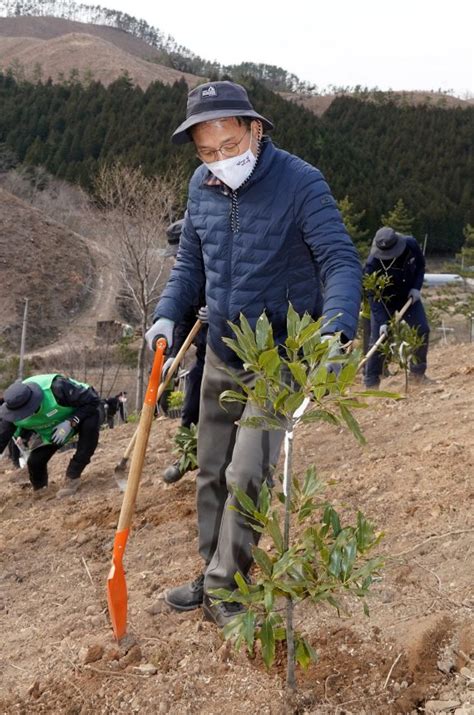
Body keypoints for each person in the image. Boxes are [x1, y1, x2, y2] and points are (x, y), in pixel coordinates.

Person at [145, 81, 362, 628]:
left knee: (247, 473)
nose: (221, 160)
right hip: (222, 347)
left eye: (229, 146)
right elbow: (191, 264)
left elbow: (339, 261)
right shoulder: (202, 186)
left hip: (280, 354)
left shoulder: (301, 183)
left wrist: (336, 331)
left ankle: (228, 590)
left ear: (254, 129)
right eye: (207, 152)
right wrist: (167, 313)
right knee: (211, 469)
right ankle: (212, 568)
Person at [161, 219, 208, 484]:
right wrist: (173, 356)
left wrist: (220, 310)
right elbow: (182, 321)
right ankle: (188, 455)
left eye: (181, 251)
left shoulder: (223, 262)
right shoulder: (184, 278)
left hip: (241, 351)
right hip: (206, 351)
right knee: (192, 401)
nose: (177, 258)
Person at [0, 374, 101, 497]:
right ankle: (41, 490)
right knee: (35, 461)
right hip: (51, 429)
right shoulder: (11, 414)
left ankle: (73, 476)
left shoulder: (56, 388)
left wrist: (71, 421)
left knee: (89, 429)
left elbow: (93, 400)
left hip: (81, 415)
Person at [364, 226, 430, 388]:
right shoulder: (371, 264)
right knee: (379, 341)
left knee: (422, 329)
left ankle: (417, 375)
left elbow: (420, 266)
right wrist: (382, 322)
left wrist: (416, 287)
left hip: (408, 297)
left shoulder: (410, 245)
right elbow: (372, 295)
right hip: (384, 301)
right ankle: (371, 384)